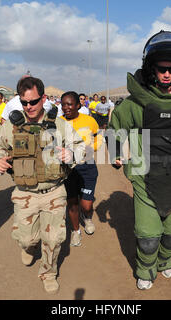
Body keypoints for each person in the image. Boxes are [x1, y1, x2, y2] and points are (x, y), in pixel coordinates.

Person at [108, 30, 171, 290]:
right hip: (143, 176)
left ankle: (164, 261)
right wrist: (115, 152)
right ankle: (145, 268)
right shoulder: (135, 104)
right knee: (149, 236)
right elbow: (114, 128)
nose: (166, 74)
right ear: (151, 69)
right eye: (161, 69)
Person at [0, 76, 85, 294]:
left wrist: (71, 153)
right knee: (26, 238)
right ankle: (29, 246)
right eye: (24, 103)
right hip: (25, 193)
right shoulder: (12, 127)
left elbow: (82, 147)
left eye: (33, 102)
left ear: (43, 98)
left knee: (53, 238)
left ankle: (48, 273)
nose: (29, 107)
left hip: (54, 191)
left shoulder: (59, 124)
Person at [61, 91, 102, 246]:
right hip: (68, 170)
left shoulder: (89, 121)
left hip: (87, 167)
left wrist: (91, 149)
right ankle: (76, 231)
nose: (66, 107)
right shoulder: (58, 123)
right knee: (72, 203)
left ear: (78, 105)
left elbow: (98, 137)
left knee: (86, 205)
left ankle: (87, 217)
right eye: (63, 104)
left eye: (70, 104)